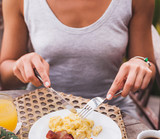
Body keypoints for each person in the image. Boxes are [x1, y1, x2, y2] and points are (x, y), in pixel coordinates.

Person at [0, 0, 156, 118]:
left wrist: (142, 64)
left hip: (112, 111)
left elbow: (149, 63)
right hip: (40, 112)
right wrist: (18, 67)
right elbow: (5, 75)